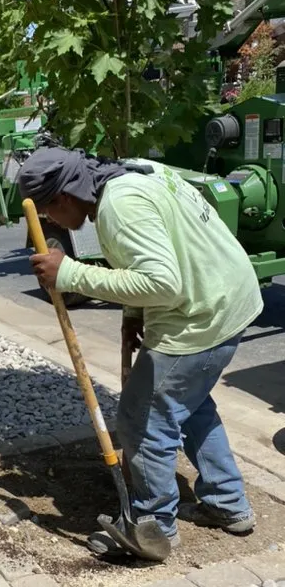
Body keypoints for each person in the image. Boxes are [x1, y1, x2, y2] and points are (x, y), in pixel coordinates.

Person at [18, 145, 262, 556]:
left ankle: (152, 526)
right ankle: (228, 505)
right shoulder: (135, 171)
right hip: (229, 301)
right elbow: (156, 253)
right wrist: (134, 313)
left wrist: (70, 273)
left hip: (199, 318)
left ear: (62, 197)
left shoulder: (119, 206)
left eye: (47, 212)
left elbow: (164, 284)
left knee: (142, 421)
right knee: (191, 406)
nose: (47, 221)